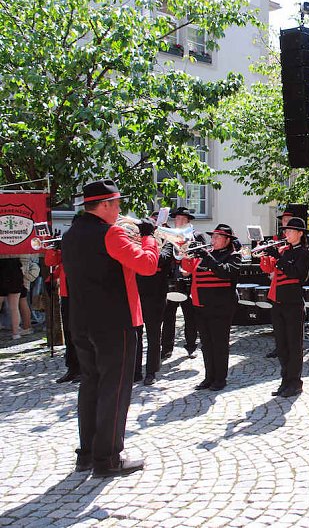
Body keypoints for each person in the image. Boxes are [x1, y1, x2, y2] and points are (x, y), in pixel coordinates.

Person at [62, 179, 159, 477]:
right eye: (116, 203)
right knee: (115, 389)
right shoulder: (111, 233)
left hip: (81, 321)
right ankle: (109, 459)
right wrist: (149, 237)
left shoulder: (70, 235)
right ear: (104, 205)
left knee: (90, 385)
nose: (119, 209)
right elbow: (147, 265)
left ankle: (87, 454)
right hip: (115, 323)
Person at [182, 224, 241, 392]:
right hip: (201, 305)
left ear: (227, 240)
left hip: (221, 306)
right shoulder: (206, 255)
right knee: (206, 344)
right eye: (212, 237)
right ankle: (209, 377)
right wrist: (187, 253)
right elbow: (187, 270)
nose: (212, 240)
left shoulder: (233, 256)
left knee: (219, 343)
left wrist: (207, 256)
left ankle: (220, 379)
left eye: (217, 237)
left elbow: (225, 273)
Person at [259, 217, 309, 398]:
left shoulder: (305, 252)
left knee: (294, 345)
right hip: (279, 302)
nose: (286, 233)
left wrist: (279, 257)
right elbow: (270, 271)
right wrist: (267, 255)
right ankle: (285, 380)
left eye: (290, 231)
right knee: (281, 345)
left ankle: (295, 382)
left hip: (293, 303)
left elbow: (297, 274)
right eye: (285, 231)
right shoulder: (285, 251)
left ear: (300, 234)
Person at [161, 207, 205, 360]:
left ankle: (191, 346)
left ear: (188, 220)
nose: (178, 221)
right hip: (172, 278)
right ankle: (166, 348)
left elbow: (202, 257)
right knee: (168, 316)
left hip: (189, 280)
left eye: (181, 219)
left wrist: (191, 270)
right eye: (176, 219)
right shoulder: (169, 236)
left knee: (190, 316)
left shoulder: (196, 236)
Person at [135, 212, 174, 386]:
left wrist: (149, 241)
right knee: (135, 335)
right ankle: (135, 371)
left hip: (156, 294)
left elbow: (161, 260)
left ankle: (151, 371)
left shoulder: (167, 243)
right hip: (137, 292)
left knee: (153, 334)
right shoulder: (139, 242)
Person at [45, 245, 80, 384]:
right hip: (66, 294)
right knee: (69, 332)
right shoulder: (67, 247)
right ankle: (72, 368)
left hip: (80, 293)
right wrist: (53, 249)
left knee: (80, 333)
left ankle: (84, 368)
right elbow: (50, 262)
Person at [266, 208, 295, 359]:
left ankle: (288, 348)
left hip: (288, 286)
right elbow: (269, 265)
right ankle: (279, 347)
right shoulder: (277, 240)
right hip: (277, 284)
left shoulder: (294, 245)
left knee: (288, 323)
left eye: (288, 221)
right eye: (283, 221)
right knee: (277, 321)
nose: (285, 223)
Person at [0, 257, 23, 339]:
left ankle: (16, 332)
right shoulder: (14, 248)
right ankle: (16, 333)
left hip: (2, 273)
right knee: (14, 307)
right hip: (15, 273)